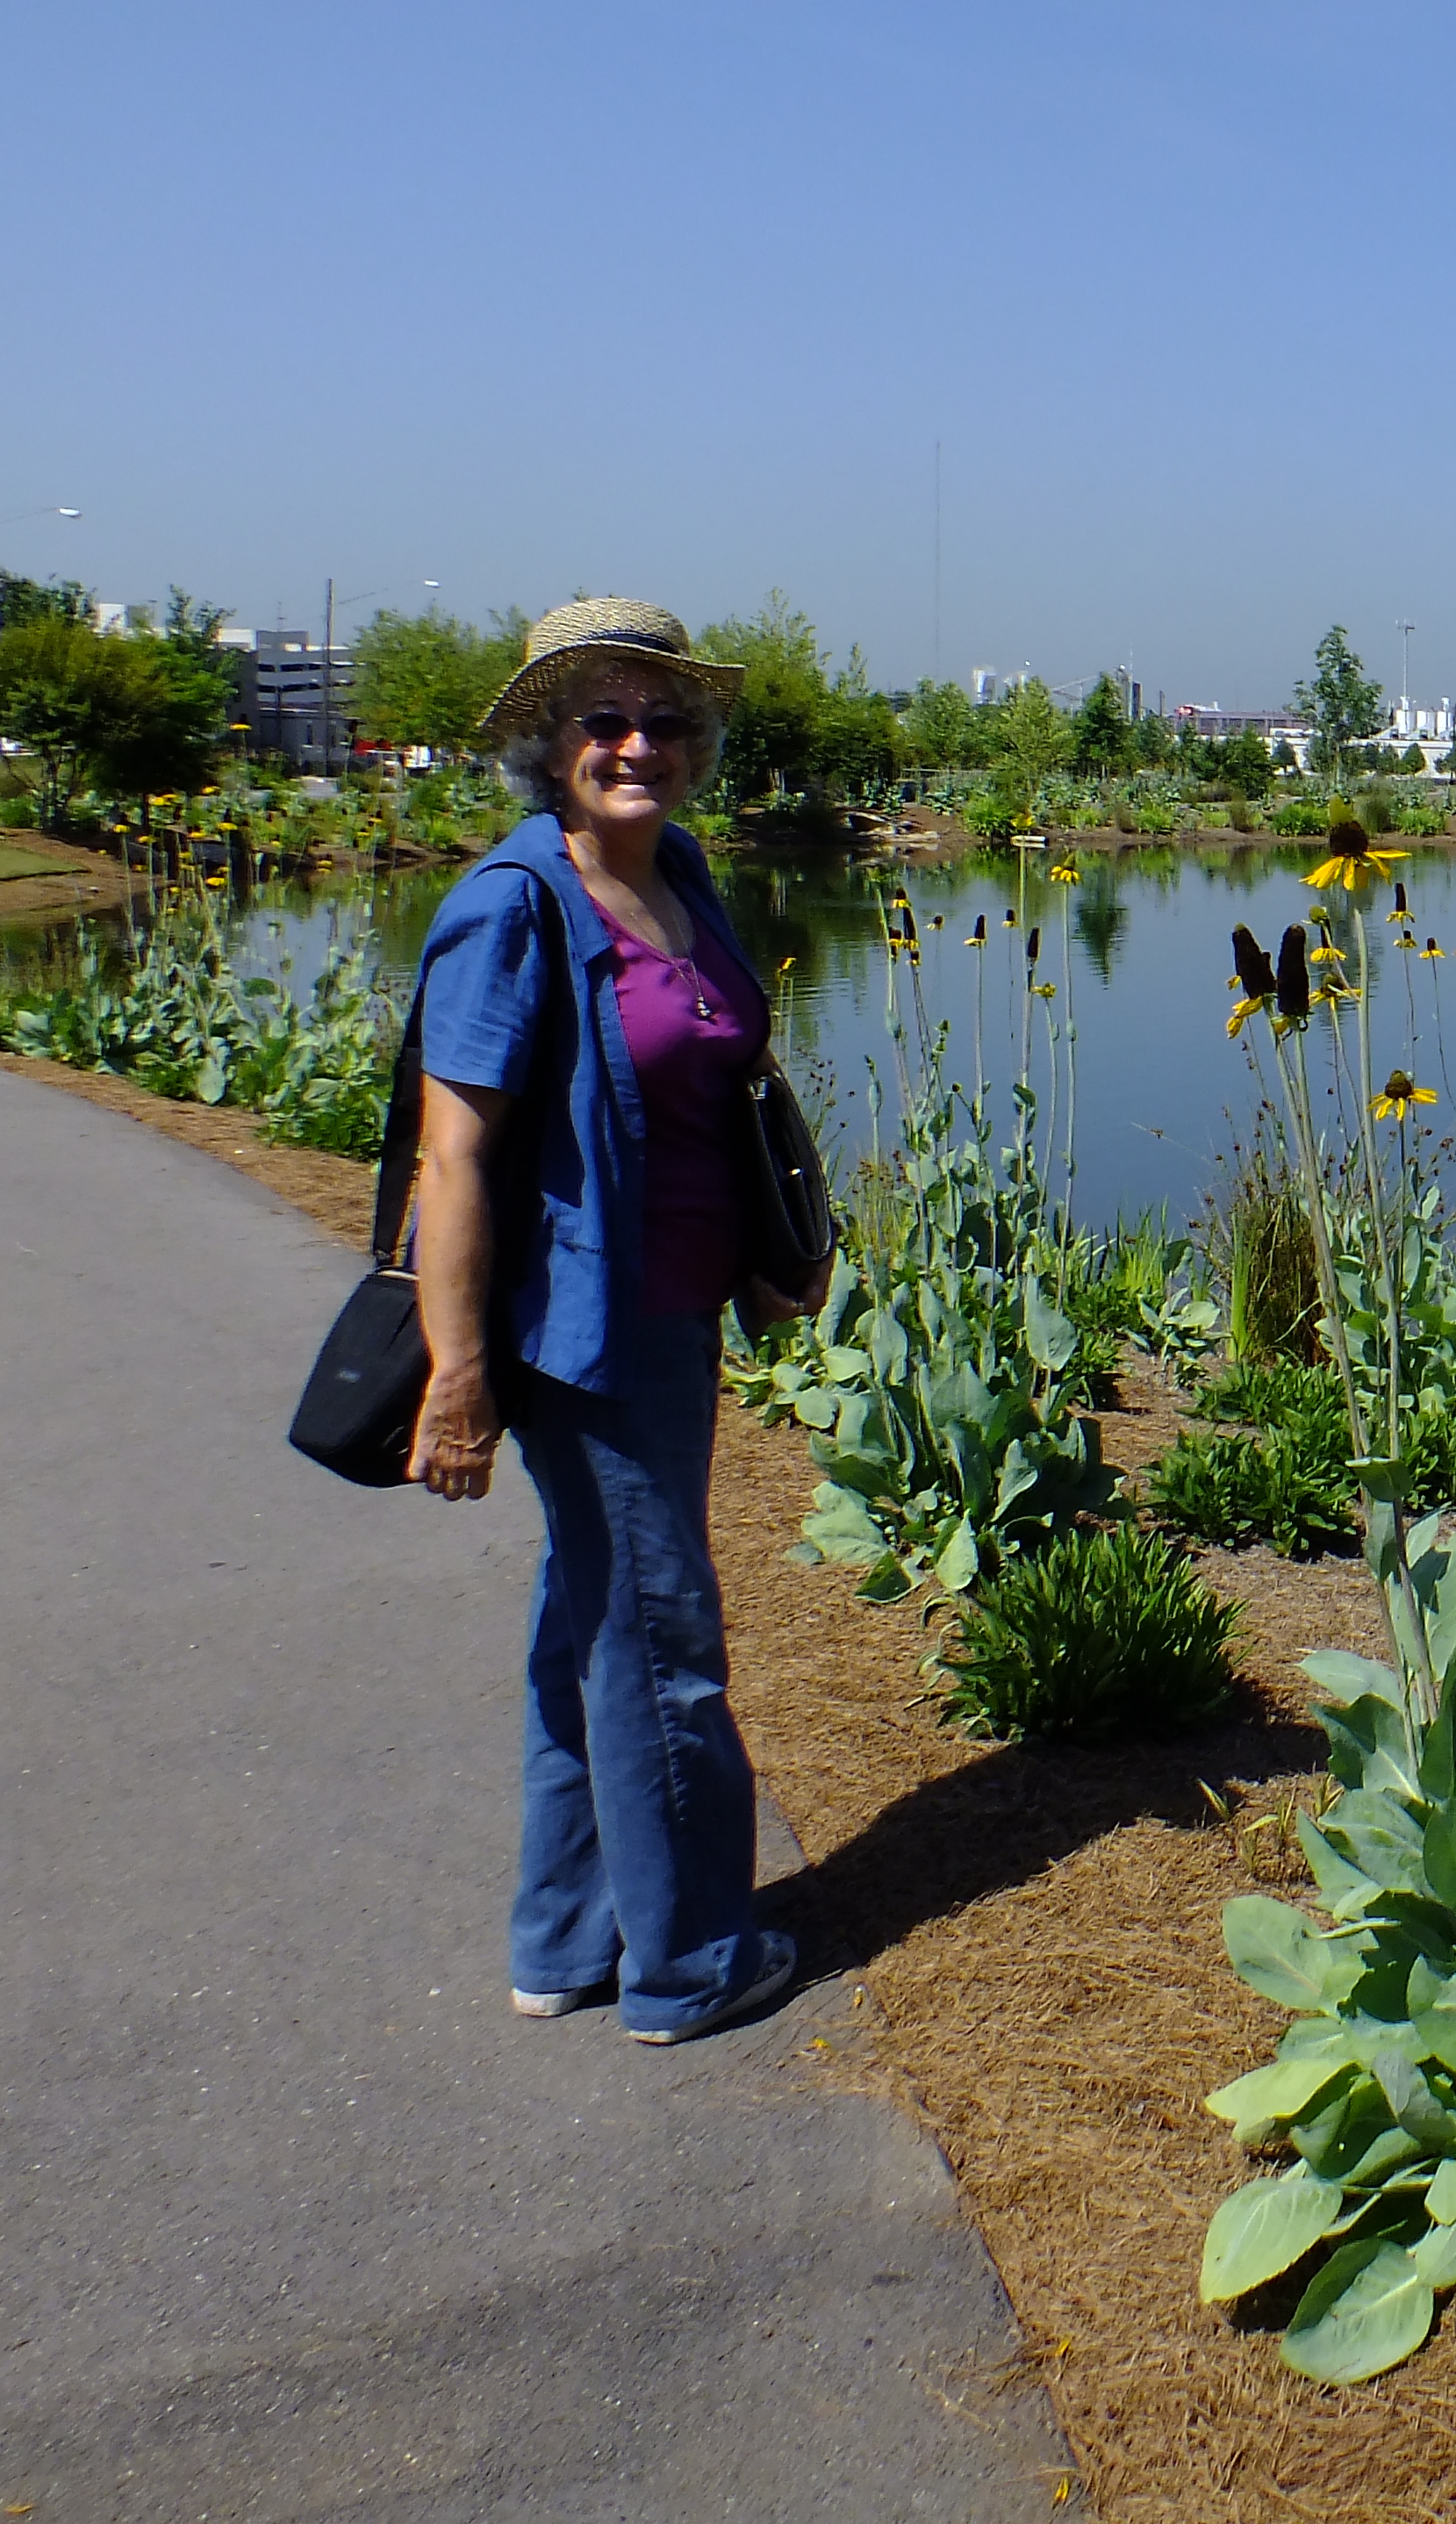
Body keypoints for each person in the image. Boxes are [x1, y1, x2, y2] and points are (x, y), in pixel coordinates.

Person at [403, 598, 821, 2044]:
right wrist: (458, 1378)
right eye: (604, 721)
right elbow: (451, 1156)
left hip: (676, 1308)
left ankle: (567, 1936)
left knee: (591, 1623)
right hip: (585, 1328)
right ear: (546, 744)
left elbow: (713, 1091)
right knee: (660, 1637)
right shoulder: (515, 906)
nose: (638, 744)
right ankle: (692, 1963)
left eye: (665, 721)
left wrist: (768, 1249)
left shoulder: (680, 872)